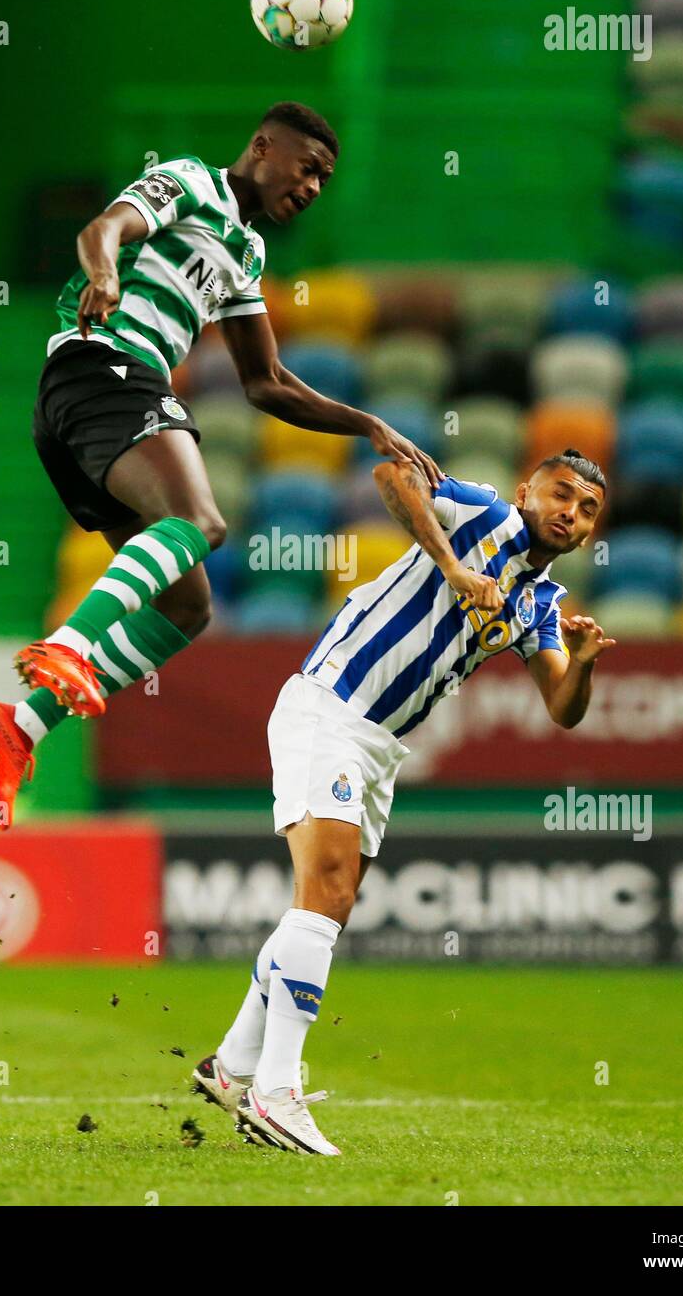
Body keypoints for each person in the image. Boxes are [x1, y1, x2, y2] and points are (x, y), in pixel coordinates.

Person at [0, 101, 440, 826]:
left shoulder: (246, 254)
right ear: (263, 146)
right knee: (202, 520)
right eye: (307, 168)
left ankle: (22, 727)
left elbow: (266, 382)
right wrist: (105, 275)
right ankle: (65, 647)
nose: (313, 187)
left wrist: (368, 424)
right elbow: (101, 230)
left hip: (94, 406)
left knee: (188, 606)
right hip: (104, 367)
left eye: (324, 179)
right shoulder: (191, 181)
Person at [193, 449, 616, 1155]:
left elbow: (561, 706)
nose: (570, 512)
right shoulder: (482, 513)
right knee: (325, 893)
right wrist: (453, 567)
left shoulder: (540, 604)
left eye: (587, 509)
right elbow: (391, 474)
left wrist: (587, 666)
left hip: (379, 746)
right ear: (527, 492)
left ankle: (232, 1066)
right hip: (332, 707)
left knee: (327, 905)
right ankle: (275, 1093)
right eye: (561, 494)